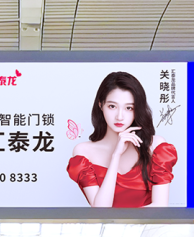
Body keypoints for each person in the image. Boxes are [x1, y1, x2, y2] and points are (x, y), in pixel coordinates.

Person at [67, 71, 177, 208]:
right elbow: (101, 211)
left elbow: (160, 207)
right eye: (112, 106)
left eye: (129, 108)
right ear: (100, 105)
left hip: (148, 224)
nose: (120, 116)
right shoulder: (84, 152)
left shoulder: (155, 146)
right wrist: (116, 156)